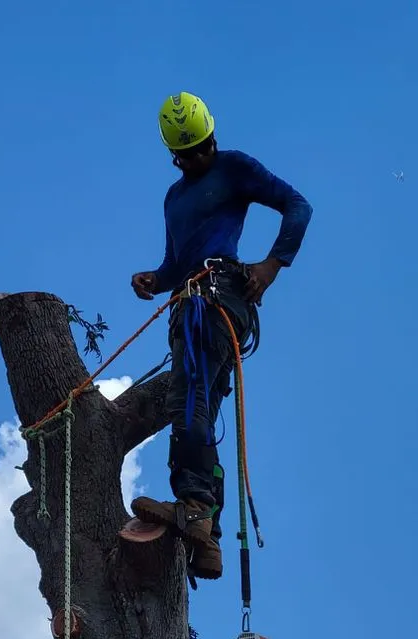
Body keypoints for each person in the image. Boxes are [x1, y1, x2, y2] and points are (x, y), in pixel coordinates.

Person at [130, 91, 312, 580]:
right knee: (197, 408)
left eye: (204, 148)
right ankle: (204, 532)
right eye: (188, 155)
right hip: (189, 301)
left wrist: (272, 266)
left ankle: (193, 506)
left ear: (213, 137)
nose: (199, 158)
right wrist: (156, 277)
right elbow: (176, 262)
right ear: (175, 155)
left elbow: (297, 205)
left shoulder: (233, 167)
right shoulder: (174, 198)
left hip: (217, 297)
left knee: (187, 400)